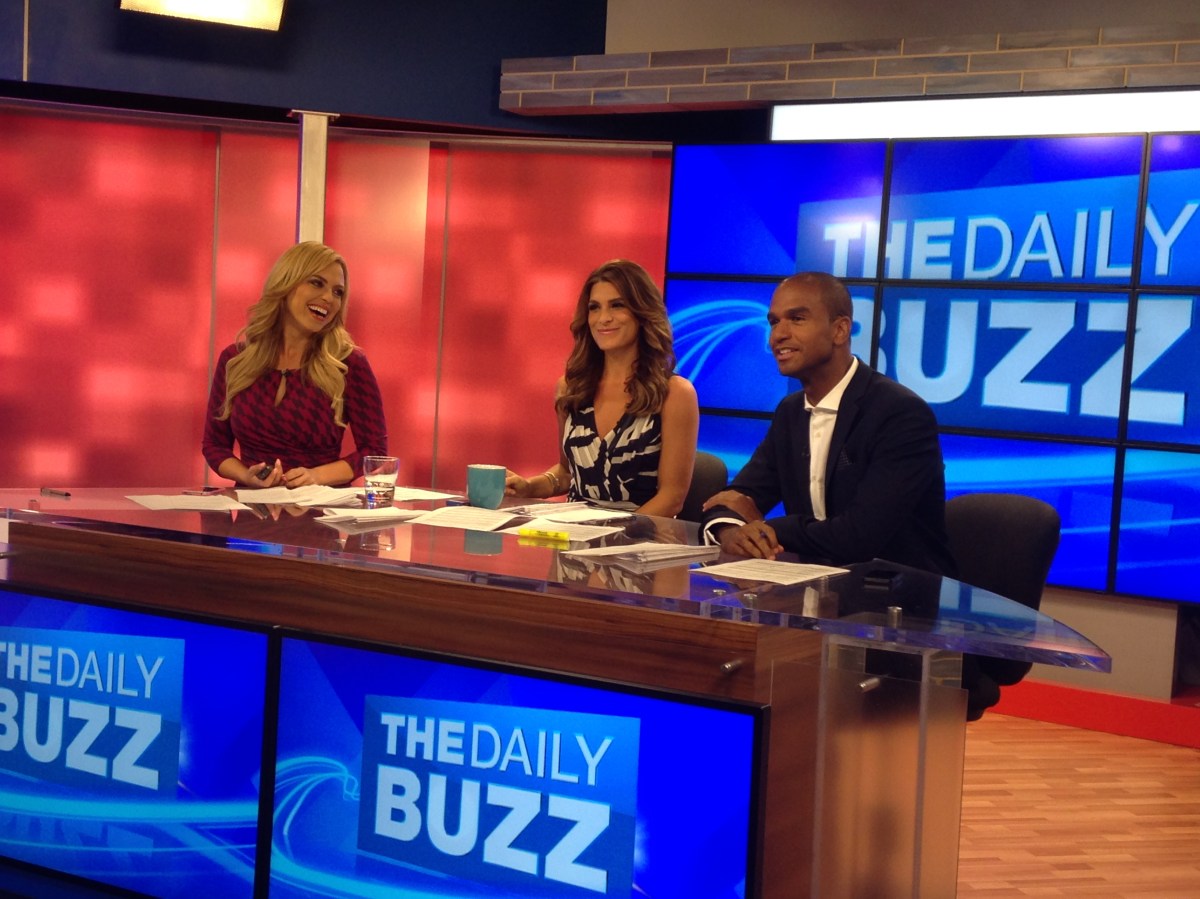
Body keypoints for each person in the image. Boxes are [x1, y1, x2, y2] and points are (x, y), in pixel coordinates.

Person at [701, 271, 955, 575]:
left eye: (796, 319)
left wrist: (768, 528)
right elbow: (734, 499)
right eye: (774, 322)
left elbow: (859, 537)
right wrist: (732, 532)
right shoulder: (791, 412)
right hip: (810, 586)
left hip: (898, 592)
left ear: (840, 330)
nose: (777, 335)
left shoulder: (900, 414)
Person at [505, 259, 698, 517]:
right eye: (594, 308)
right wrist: (529, 487)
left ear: (642, 313)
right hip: (572, 533)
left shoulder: (675, 394)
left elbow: (672, 497)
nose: (603, 319)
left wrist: (614, 534)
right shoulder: (571, 388)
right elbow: (567, 472)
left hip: (642, 535)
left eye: (617, 305)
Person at [202, 241, 388, 488]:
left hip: (321, 505)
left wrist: (316, 476)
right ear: (286, 284)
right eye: (317, 283)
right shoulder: (236, 359)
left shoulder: (349, 363)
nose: (329, 298)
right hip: (252, 506)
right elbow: (214, 445)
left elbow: (374, 450)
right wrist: (246, 476)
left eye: (338, 292)